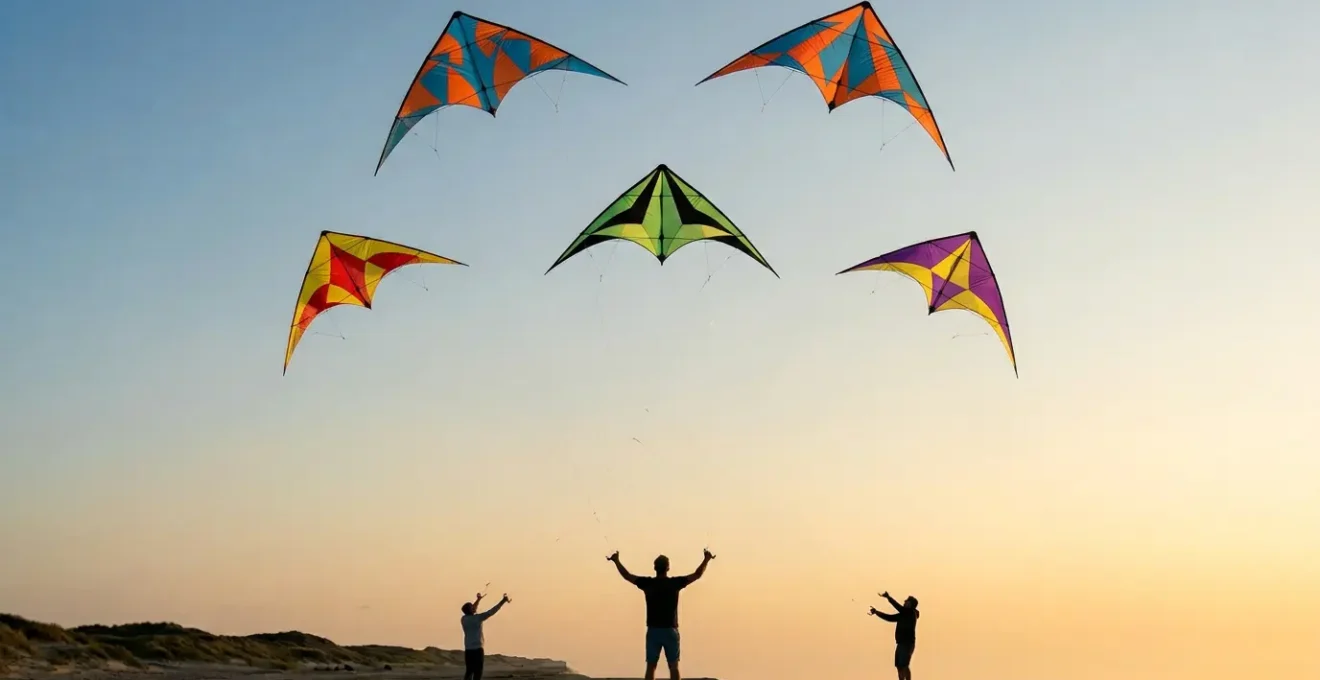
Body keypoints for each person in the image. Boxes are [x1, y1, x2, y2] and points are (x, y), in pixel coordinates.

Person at [607, 549, 714, 680]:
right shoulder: (674, 583)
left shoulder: (648, 583)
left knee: (651, 666)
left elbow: (627, 575)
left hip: (654, 631)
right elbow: (697, 575)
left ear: (655, 568)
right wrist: (706, 560)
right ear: (668, 568)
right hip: (670, 630)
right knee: (673, 666)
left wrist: (616, 561)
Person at [460, 591, 510, 680]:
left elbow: (472, 609)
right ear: (470, 610)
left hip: (468, 649)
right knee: (478, 671)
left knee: (469, 671)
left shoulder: (463, 619)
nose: (474, 607)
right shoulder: (478, 618)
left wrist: (478, 600)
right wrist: (503, 601)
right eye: (472, 607)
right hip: (477, 649)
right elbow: (491, 611)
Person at [870, 591, 920, 680]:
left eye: (907, 601)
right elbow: (889, 618)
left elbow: (898, 607)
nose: (904, 602)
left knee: (904, 665)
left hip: (907, 643)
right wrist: (876, 612)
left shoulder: (911, 613)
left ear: (911, 604)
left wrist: (888, 597)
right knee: (899, 666)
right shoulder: (903, 614)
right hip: (900, 643)